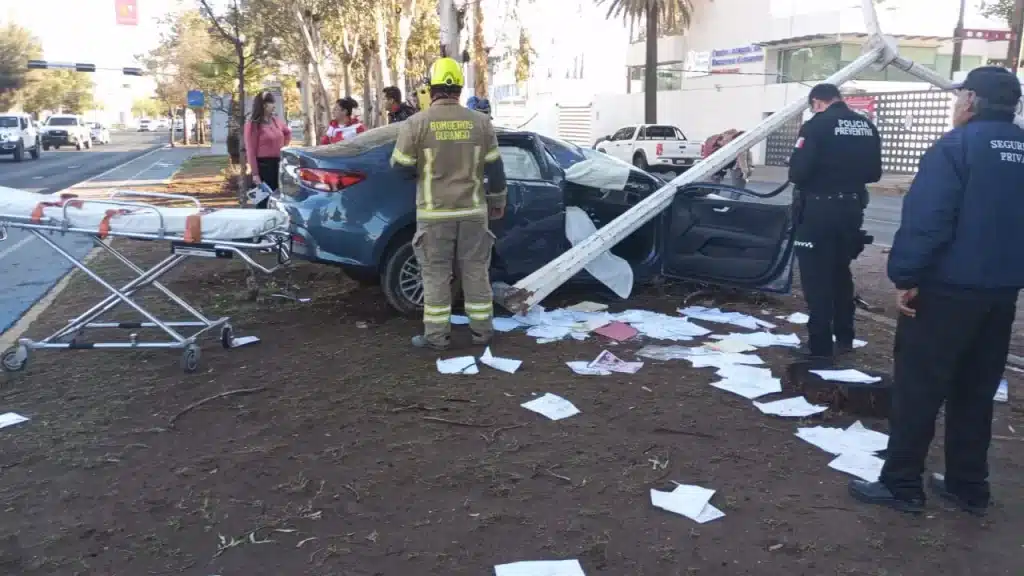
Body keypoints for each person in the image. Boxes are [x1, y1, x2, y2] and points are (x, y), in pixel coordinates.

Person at [849, 66, 1024, 515]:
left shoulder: (955, 147)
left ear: (969, 101)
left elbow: (928, 221)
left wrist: (905, 277)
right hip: (1002, 292)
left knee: (919, 389)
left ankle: (902, 483)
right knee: (976, 390)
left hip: (946, 291)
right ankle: (969, 485)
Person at [389, 57, 508, 350]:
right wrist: (498, 200)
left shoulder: (416, 123)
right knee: (475, 272)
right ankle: (483, 333)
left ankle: (437, 338)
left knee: (436, 275)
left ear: (433, 88)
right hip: (473, 213)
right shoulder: (481, 122)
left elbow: (400, 166)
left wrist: (425, 171)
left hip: (435, 214)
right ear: (459, 89)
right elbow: (495, 168)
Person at [787, 83, 881, 361]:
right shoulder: (866, 125)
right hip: (852, 209)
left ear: (817, 102)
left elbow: (798, 173)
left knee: (816, 278)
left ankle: (819, 346)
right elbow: (874, 173)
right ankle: (845, 336)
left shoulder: (816, 126)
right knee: (841, 273)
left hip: (818, 210)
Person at [243, 91, 292, 209]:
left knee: (278, 201)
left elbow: (287, 132)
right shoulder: (253, 125)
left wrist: (282, 146)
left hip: (278, 164)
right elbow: (251, 150)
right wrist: (255, 174)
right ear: (263, 105)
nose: (274, 106)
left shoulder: (275, 121)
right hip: (263, 167)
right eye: (271, 103)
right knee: (263, 203)